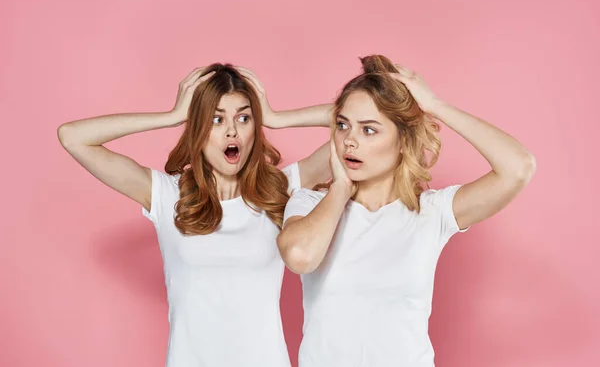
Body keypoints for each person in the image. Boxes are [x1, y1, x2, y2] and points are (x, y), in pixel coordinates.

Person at [57, 64, 332, 367]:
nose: (232, 131)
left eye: (244, 118)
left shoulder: (281, 190)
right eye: (216, 119)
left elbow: (371, 121)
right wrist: (171, 117)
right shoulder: (167, 195)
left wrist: (279, 119)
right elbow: (72, 137)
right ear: (198, 128)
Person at [278, 55, 536, 367]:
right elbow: (300, 256)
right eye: (343, 126)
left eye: (369, 130)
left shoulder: (433, 213)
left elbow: (518, 167)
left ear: (402, 139)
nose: (350, 141)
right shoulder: (309, 203)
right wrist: (340, 189)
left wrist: (434, 105)